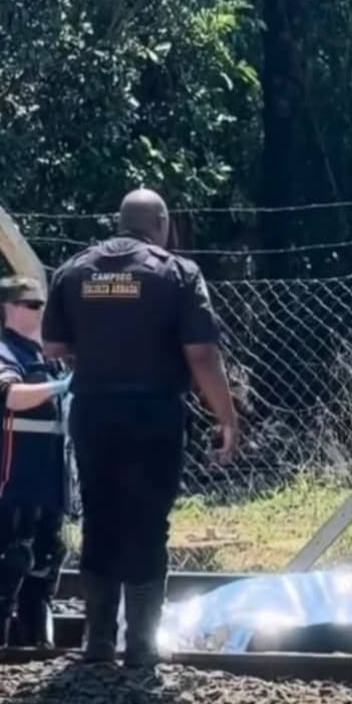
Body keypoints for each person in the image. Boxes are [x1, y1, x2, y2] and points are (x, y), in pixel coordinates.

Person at [42, 189, 238, 670]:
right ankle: (143, 647)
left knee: (101, 520)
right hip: (154, 415)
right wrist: (226, 417)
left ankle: (98, 644)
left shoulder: (75, 269)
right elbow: (202, 356)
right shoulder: (178, 274)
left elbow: (52, 346)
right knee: (149, 523)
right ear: (162, 223)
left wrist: (102, 344)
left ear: (120, 221)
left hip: (93, 413)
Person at [0, 276, 71, 647]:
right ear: (9, 308)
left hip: (48, 483)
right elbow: (10, 395)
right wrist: (62, 387)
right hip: (8, 483)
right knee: (6, 564)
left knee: (44, 564)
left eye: (42, 305)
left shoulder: (49, 359)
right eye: (33, 305)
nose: (41, 312)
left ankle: (33, 648)